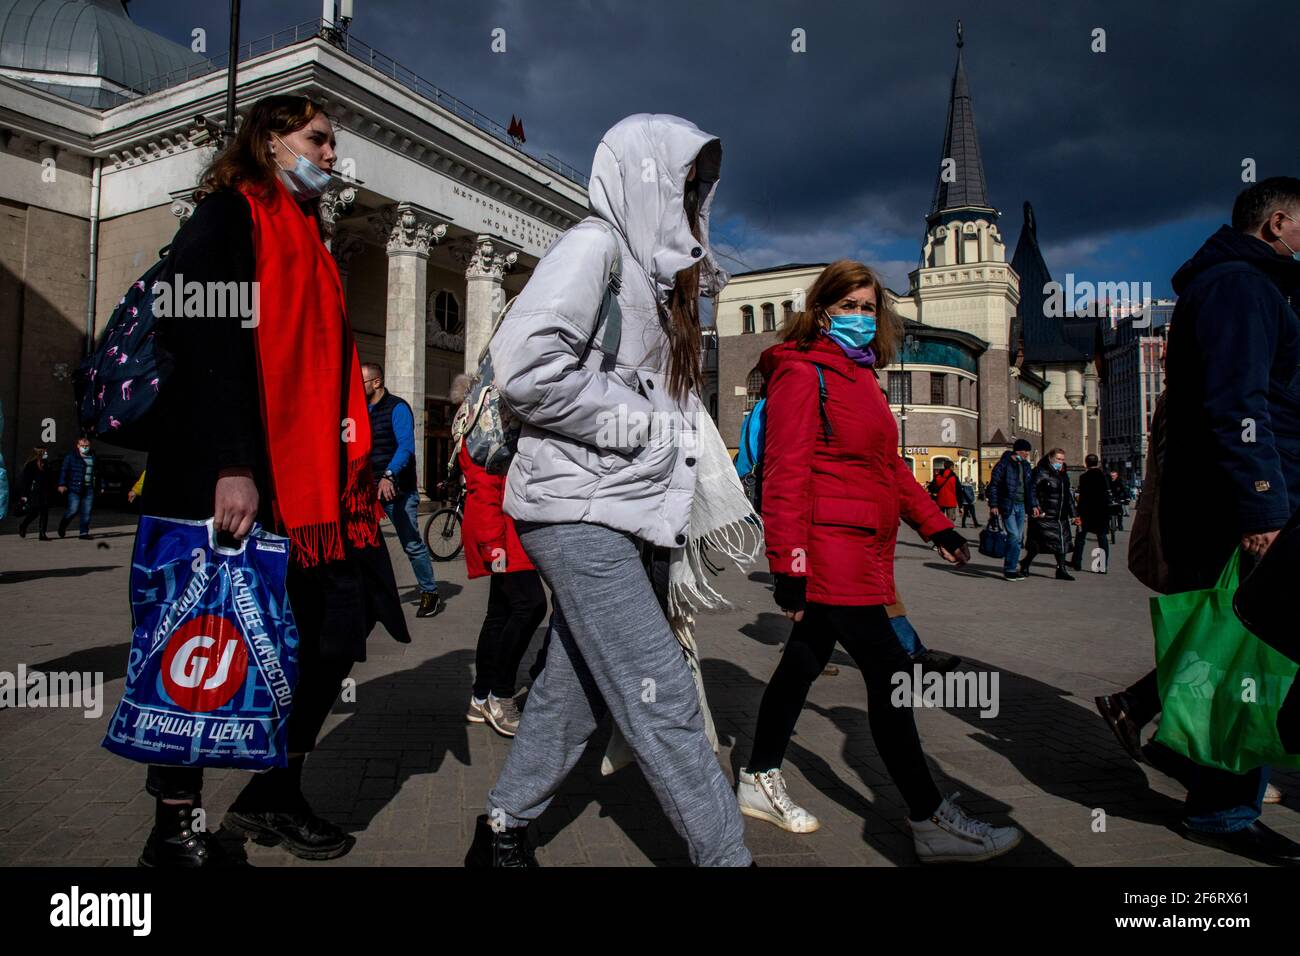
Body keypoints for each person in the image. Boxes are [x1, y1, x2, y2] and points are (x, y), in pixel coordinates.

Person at [467, 114, 753, 868]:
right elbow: (526, 369)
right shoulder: (595, 246)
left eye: (699, 189)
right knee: (662, 694)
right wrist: (647, 427)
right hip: (574, 513)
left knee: (579, 687)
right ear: (643, 177)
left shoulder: (663, 287)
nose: (688, 201)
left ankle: (501, 829)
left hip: (626, 515)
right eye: (679, 183)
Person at [133, 94, 410, 867]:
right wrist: (233, 465)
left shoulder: (312, 240)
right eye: (317, 139)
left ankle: (273, 795)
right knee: (202, 641)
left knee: (335, 632)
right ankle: (175, 829)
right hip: (233, 480)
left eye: (331, 143)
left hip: (317, 491)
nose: (330, 154)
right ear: (270, 139)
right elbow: (199, 342)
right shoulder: (226, 217)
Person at [737, 258, 1021, 862]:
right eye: (850, 307)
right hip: (831, 549)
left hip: (867, 547)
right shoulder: (802, 373)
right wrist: (788, 563)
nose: (862, 318)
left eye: (870, 308)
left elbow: (889, 469)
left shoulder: (862, 378)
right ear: (822, 310)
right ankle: (929, 818)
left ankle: (758, 774)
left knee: (802, 665)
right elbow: (785, 472)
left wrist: (937, 523)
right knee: (892, 675)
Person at [1096, 177, 1300, 865]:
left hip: (1237, 499)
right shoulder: (1245, 287)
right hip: (1243, 505)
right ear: (1276, 224)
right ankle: (1221, 807)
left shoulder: (1244, 284)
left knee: (1231, 644)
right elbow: (1237, 406)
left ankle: (1182, 746)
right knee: (1244, 649)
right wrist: (1265, 506)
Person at [455, 370, 549, 737]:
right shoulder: (486, 425)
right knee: (531, 605)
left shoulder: (483, 419)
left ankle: (480, 698)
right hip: (499, 532)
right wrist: (495, 544)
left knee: (501, 613)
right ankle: (501, 694)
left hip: (503, 529)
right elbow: (485, 486)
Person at [362, 363, 444, 618]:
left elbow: (406, 447)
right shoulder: (359, 410)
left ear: (377, 382)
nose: (357, 386)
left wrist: (389, 475)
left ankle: (430, 592)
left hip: (397, 489)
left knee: (411, 544)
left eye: (361, 381)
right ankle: (370, 595)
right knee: (363, 544)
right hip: (365, 489)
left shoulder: (397, 408)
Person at [987, 438, 1039, 581]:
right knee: (1014, 535)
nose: (1027, 454)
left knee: (1018, 539)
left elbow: (1030, 489)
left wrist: (1034, 505)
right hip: (1007, 505)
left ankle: (1013, 567)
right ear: (1018, 450)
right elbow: (994, 486)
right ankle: (1009, 568)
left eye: (1028, 451)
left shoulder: (1026, 466)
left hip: (1022, 505)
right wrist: (994, 505)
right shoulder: (1003, 465)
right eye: (1025, 451)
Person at [1020, 448, 1076, 580]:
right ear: (1050, 458)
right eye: (1058, 459)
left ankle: (1061, 570)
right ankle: (1026, 563)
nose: (1061, 462)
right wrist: (1035, 506)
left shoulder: (1063, 474)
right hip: (1044, 515)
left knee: (1061, 543)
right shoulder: (1040, 471)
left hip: (1060, 515)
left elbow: (1068, 496)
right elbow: (1031, 490)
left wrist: (1074, 514)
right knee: (1038, 544)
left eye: (1062, 459)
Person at [1070, 454, 1111, 573]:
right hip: (1102, 512)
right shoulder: (1104, 476)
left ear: (1086, 463)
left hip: (1087, 512)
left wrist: (1078, 513)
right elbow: (1107, 494)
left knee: (1080, 538)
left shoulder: (1084, 477)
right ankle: (1102, 566)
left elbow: (1082, 497)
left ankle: (1077, 563)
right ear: (1097, 463)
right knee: (1102, 539)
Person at [56, 437, 100, 539]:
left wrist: (101, 485)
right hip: (74, 488)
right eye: (82, 446)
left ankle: (83, 533)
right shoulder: (71, 457)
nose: (84, 448)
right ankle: (63, 525)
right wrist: (61, 484)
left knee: (87, 511)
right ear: (78, 446)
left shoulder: (93, 456)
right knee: (73, 510)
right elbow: (64, 471)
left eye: (87, 446)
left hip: (89, 488)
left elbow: (98, 472)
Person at [17, 447, 52, 540]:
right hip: (34, 492)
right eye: (45, 452)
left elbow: (49, 478)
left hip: (45, 492)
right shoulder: (30, 465)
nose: (46, 454)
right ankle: (23, 525)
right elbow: (26, 481)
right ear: (39, 453)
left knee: (44, 512)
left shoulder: (46, 464)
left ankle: (42, 533)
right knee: (34, 513)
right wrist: (24, 495)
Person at [1108, 468, 1131, 532]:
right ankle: (1107, 525)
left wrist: (1127, 497)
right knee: (1107, 512)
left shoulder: (1120, 481)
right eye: (1111, 476)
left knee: (1120, 512)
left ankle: (1120, 525)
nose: (1112, 477)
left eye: (1113, 476)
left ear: (1116, 476)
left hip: (1118, 498)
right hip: (1109, 498)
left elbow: (1124, 490)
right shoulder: (1108, 481)